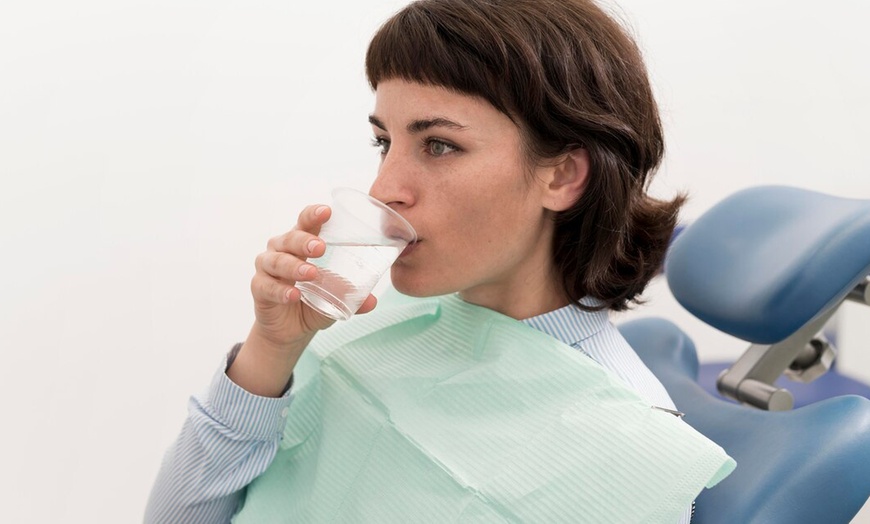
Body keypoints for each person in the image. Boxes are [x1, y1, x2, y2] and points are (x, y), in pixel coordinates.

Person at [145, 0, 715, 522]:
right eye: (383, 142)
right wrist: (269, 351)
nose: (384, 186)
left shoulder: (627, 450)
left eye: (439, 145)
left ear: (563, 175)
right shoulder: (367, 319)